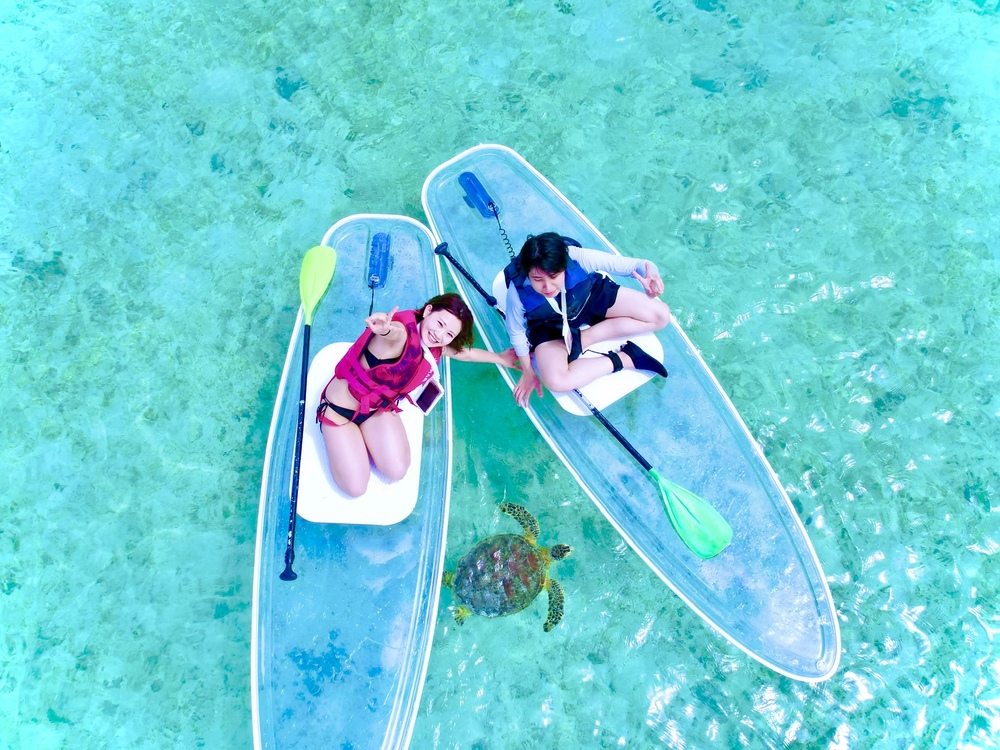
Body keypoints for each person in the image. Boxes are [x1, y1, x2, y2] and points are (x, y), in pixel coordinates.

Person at [317, 292, 517, 496]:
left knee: (397, 470)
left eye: (449, 334)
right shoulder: (402, 334)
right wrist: (386, 329)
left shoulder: (434, 345)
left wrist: (501, 358)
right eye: (440, 323)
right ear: (428, 311)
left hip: (375, 409)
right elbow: (395, 333)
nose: (440, 335)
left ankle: (359, 436)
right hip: (339, 411)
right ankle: (339, 432)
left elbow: (465, 354)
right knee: (356, 489)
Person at [504, 232, 672, 407]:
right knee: (556, 381)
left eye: (554, 276)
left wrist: (652, 276)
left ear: (564, 266)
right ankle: (625, 358)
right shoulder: (517, 293)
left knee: (661, 316)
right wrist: (528, 371)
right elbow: (516, 333)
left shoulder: (577, 257)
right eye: (537, 279)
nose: (547, 287)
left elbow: (639, 265)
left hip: (588, 298)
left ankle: (584, 338)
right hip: (549, 323)